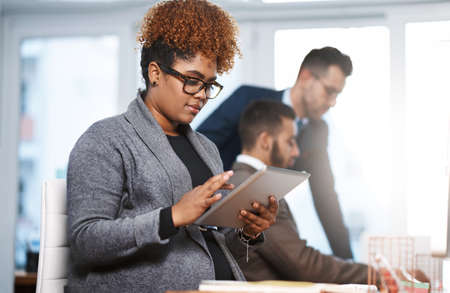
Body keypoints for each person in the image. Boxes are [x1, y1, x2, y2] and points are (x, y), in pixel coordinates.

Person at [66, 1, 278, 292]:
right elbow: (85, 242)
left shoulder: (207, 149)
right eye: (192, 81)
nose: (202, 95)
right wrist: (172, 216)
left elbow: (204, 244)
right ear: (155, 73)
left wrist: (247, 233)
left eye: (209, 85)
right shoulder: (106, 139)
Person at [198, 46, 354, 259]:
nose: (332, 102)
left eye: (337, 94)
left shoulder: (317, 130)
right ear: (306, 77)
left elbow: (326, 198)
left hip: (265, 228)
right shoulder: (248, 100)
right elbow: (200, 147)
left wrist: (347, 259)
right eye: (329, 91)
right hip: (216, 220)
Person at [229, 100, 369, 283]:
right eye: (290, 142)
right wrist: (373, 274)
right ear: (264, 141)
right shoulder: (254, 190)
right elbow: (304, 265)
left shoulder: (239, 181)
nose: (296, 152)